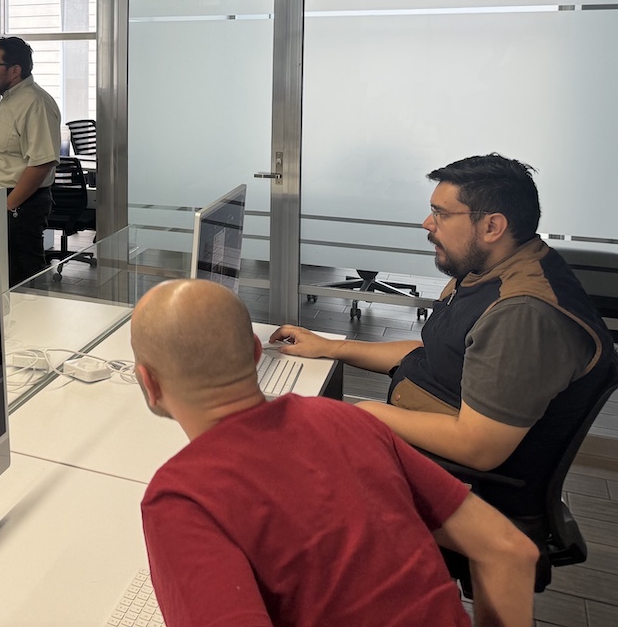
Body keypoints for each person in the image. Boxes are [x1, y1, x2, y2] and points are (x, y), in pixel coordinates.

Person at [131, 279, 538, 627]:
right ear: (256, 352)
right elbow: (511, 551)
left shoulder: (182, 500)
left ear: (148, 383)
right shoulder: (350, 420)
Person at [270, 154, 616, 506]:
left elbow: (478, 448)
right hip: (420, 445)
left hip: (461, 490)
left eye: (441, 214)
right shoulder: (491, 267)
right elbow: (435, 353)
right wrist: (331, 346)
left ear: (492, 227)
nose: (427, 224)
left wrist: (367, 415)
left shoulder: (522, 315)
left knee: (280, 464)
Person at [0, 36, 62, 287]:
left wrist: (8, 205)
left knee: (24, 279)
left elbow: (42, 163)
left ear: (15, 70)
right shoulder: (9, 100)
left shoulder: (35, 103)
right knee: (2, 277)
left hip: (19, 205)